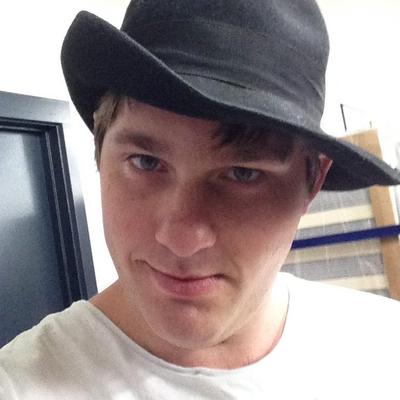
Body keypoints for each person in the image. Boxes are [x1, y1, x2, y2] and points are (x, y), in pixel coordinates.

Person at [1, 0, 400, 399]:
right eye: (145, 162)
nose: (182, 238)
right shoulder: (20, 385)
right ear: (101, 156)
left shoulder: (384, 352)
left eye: (243, 173)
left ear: (312, 183)